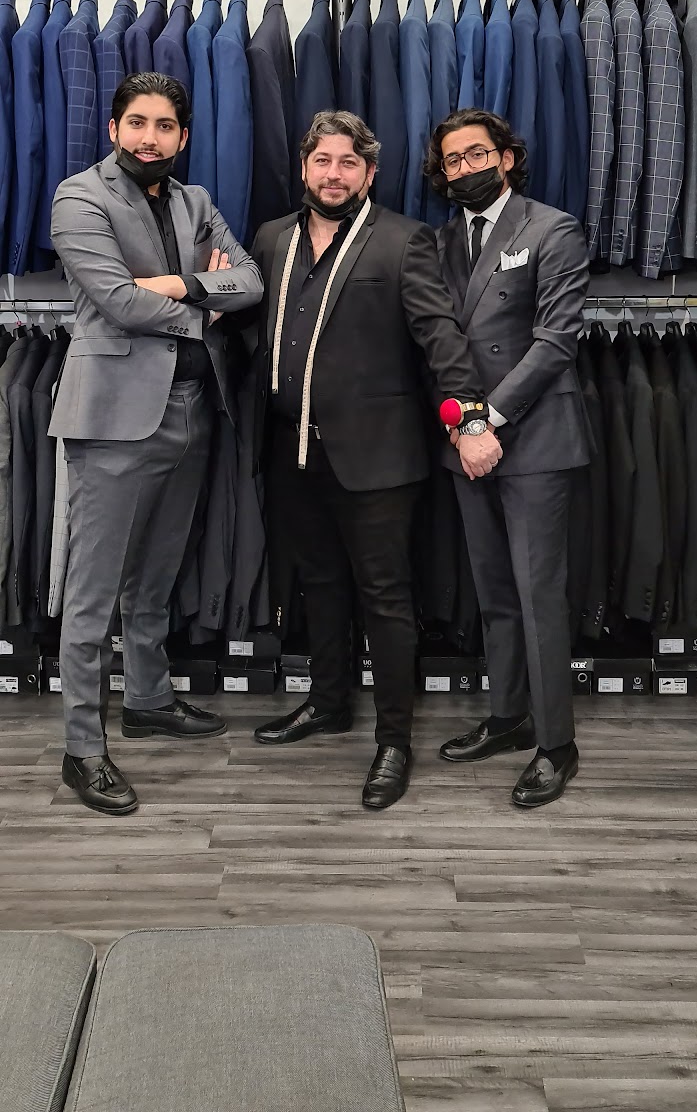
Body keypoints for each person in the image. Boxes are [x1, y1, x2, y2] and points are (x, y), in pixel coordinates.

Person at [249, 110, 499, 811]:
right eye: (323, 161)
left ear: (370, 173)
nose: (334, 175)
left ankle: (394, 741)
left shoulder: (402, 240)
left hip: (378, 457)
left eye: (348, 163)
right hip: (291, 448)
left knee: (386, 600)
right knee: (319, 585)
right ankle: (329, 703)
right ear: (304, 166)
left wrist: (468, 418)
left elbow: (440, 338)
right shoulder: (271, 239)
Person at [49, 72, 263, 816]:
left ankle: (146, 698)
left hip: (195, 408)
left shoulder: (195, 201)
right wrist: (205, 298)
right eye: (137, 122)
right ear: (114, 129)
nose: (150, 137)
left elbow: (251, 280)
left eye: (165, 125)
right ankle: (82, 748)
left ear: (183, 135)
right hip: (114, 414)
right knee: (93, 589)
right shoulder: (80, 197)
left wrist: (177, 286)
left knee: (157, 572)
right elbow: (115, 300)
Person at [428, 109, 591, 808]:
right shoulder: (440, 240)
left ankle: (557, 745)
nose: (466, 168)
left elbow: (556, 341)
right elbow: (438, 339)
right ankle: (507, 717)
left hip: (533, 438)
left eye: (477, 154)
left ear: (507, 157)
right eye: (453, 160)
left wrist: (488, 419)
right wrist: (463, 425)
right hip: (466, 441)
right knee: (493, 593)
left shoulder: (552, 229)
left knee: (538, 596)